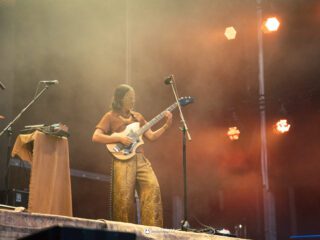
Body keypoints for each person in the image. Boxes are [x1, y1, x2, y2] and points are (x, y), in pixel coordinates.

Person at [92, 84, 172, 227]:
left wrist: (166, 125)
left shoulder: (138, 117)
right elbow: (96, 136)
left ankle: (152, 232)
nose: (133, 99)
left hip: (140, 158)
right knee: (124, 199)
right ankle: (125, 233)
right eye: (130, 97)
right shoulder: (110, 116)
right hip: (122, 160)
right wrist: (119, 139)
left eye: (134, 97)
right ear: (121, 99)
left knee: (152, 188)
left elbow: (152, 136)